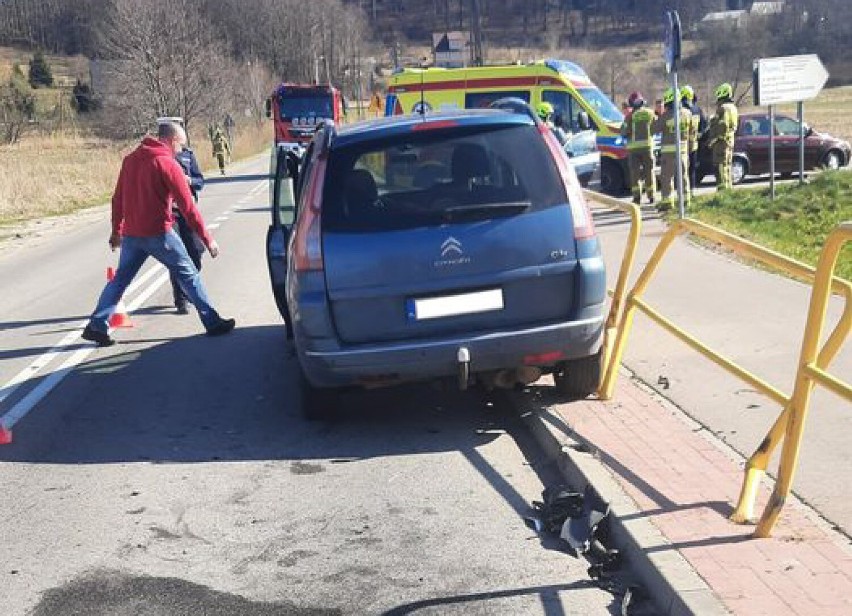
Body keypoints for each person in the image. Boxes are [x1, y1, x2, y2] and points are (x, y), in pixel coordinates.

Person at [81, 121, 235, 346]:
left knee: (120, 281)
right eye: (181, 146)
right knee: (189, 274)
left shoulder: (130, 160)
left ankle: (96, 326)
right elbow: (188, 207)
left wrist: (117, 232)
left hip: (132, 235)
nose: (182, 150)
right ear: (172, 141)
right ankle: (212, 322)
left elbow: (118, 200)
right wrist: (207, 239)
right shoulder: (167, 163)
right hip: (159, 234)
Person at [170, 129, 205, 314]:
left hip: (189, 212)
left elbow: (200, 181)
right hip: (171, 214)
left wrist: (189, 180)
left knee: (196, 252)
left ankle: (190, 289)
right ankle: (181, 299)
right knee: (177, 256)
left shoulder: (188, 156)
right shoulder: (164, 158)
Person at [653, 87, 692, 212]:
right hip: (683, 151)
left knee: (667, 178)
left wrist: (659, 115)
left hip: (668, 154)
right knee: (684, 176)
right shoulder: (687, 113)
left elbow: (653, 129)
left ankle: (668, 203)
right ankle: (686, 201)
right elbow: (691, 131)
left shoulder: (666, 116)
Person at [620, 91, 656, 205]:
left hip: (633, 150)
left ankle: (637, 198)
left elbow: (624, 132)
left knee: (635, 174)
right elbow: (656, 126)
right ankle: (652, 196)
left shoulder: (630, 116)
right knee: (649, 172)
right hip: (648, 147)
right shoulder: (650, 113)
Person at [707, 82, 739, 191]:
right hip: (730, 141)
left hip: (721, 142)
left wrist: (715, 137)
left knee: (720, 166)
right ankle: (729, 188)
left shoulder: (723, 108)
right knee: (728, 165)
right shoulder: (733, 107)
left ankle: (722, 190)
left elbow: (723, 124)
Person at [680, 85, 706, 198]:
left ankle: (684, 193)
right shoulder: (697, 109)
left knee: (683, 169)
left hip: (683, 144)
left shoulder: (682, 111)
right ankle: (692, 190)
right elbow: (704, 125)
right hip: (694, 144)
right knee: (692, 169)